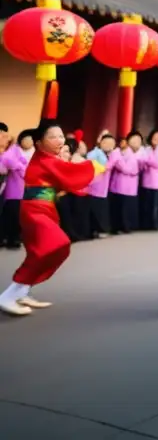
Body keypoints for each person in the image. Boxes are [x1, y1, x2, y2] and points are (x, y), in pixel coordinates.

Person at [0, 121, 104, 316]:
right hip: (34, 211)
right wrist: (92, 167)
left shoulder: (48, 159)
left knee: (39, 252)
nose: (59, 140)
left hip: (44, 209)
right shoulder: (46, 160)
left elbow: (63, 179)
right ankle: (8, 295)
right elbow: (70, 174)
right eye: (53, 137)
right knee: (56, 244)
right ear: (39, 143)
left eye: (61, 136)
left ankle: (22, 291)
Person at [0, 130, 34, 249]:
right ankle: (10, 238)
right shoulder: (12, 151)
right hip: (11, 190)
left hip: (21, 190)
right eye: (26, 139)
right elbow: (10, 163)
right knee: (11, 215)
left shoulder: (23, 152)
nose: (29, 142)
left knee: (15, 216)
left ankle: (12, 238)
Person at [109, 131, 143, 234]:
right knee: (118, 208)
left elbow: (129, 169)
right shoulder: (116, 152)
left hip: (128, 186)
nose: (122, 144)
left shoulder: (132, 154)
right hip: (118, 185)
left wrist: (119, 163)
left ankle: (126, 227)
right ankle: (117, 227)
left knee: (126, 209)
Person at [86, 134, 115, 239]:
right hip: (94, 187)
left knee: (101, 210)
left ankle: (100, 230)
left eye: (111, 143)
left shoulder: (109, 154)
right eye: (106, 143)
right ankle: (97, 230)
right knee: (96, 210)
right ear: (100, 143)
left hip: (104, 188)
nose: (109, 145)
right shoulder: (94, 153)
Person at [139, 131, 158, 231]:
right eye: (155, 137)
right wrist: (148, 162)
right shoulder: (147, 149)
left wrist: (148, 161)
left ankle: (153, 224)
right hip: (146, 180)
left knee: (154, 205)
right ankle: (144, 224)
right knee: (145, 204)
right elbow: (142, 162)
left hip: (155, 181)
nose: (157, 140)